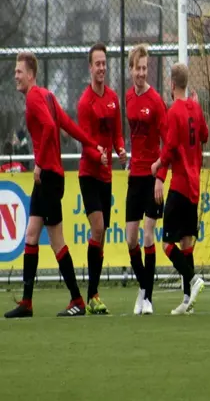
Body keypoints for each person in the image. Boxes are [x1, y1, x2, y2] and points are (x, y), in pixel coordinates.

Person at [5, 52, 104, 318]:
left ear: (31, 74)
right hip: (48, 177)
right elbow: (68, 125)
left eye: (19, 71)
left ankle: (77, 300)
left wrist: (38, 162)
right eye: (15, 71)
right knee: (31, 235)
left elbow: (50, 127)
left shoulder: (36, 97)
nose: (16, 75)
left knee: (56, 239)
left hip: (48, 176)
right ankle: (27, 302)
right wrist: (92, 144)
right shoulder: (47, 96)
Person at [151, 63, 208, 315]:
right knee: (186, 242)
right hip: (195, 184)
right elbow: (204, 135)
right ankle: (187, 301)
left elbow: (171, 145)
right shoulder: (195, 108)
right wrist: (198, 109)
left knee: (166, 243)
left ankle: (193, 280)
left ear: (172, 85)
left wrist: (158, 164)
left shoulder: (173, 111)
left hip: (181, 184)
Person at [77, 42, 127, 315]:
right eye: (97, 63)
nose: (101, 68)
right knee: (97, 228)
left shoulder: (112, 98)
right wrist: (98, 156)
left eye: (104, 64)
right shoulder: (85, 102)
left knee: (102, 233)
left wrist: (120, 149)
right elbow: (85, 142)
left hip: (106, 175)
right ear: (90, 67)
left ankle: (93, 294)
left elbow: (118, 132)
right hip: (89, 174)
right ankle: (92, 294)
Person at [125, 44, 167, 315]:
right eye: (137, 68)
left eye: (144, 68)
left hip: (152, 178)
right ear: (130, 69)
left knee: (149, 236)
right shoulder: (128, 98)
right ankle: (143, 286)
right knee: (131, 240)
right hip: (134, 177)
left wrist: (160, 177)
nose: (141, 73)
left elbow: (168, 144)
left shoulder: (156, 101)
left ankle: (148, 298)